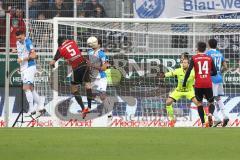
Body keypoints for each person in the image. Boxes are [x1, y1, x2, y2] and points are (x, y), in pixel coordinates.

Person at [50, 37, 92, 118]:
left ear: (59, 43)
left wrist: (52, 63)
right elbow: (75, 53)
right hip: (84, 64)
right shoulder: (72, 42)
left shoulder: (60, 49)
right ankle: (89, 107)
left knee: (74, 89)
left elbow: (53, 61)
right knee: (88, 85)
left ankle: (83, 109)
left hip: (77, 68)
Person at [160, 55, 202, 127]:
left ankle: (205, 120)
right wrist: (164, 75)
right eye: (182, 62)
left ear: (189, 64)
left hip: (189, 91)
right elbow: (171, 73)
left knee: (198, 104)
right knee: (168, 102)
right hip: (179, 90)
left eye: (185, 63)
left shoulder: (193, 72)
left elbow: (199, 79)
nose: (183, 64)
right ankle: (172, 120)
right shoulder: (178, 70)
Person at [183, 41, 217, 127]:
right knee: (211, 102)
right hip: (207, 83)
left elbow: (189, 70)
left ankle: (202, 123)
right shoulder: (209, 58)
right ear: (205, 49)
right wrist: (207, 74)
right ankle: (210, 114)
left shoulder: (194, 58)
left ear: (198, 48)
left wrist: (184, 82)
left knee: (199, 103)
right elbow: (215, 72)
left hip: (198, 84)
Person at [16, 30, 45, 118]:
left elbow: (34, 55)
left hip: (30, 66)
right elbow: (21, 52)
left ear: (23, 35)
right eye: (17, 38)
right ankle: (40, 104)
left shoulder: (28, 42)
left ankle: (31, 108)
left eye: (20, 37)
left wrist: (22, 59)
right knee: (31, 88)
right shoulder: (18, 42)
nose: (19, 39)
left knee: (26, 87)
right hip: (23, 68)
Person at [85, 36, 110, 117]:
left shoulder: (102, 54)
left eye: (94, 42)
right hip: (92, 77)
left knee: (102, 96)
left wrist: (92, 65)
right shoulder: (89, 52)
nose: (92, 44)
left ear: (99, 45)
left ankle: (109, 113)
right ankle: (90, 108)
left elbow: (104, 68)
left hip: (101, 77)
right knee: (89, 92)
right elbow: (87, 64)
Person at [206, 39, 229, 127]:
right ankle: (225, 115)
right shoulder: (220, 54)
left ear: (209, 45)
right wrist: (219, 72)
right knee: (218, 98)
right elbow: (226, 67)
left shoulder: (208, 54)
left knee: (210, 100)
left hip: (211, 78)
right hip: (219, 78)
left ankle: (217, 118)